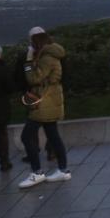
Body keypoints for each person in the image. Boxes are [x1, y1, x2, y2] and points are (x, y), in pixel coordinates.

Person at [18, 28, 71, 189]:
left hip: (44, 102)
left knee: (27, 136)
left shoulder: (47, 58)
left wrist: (27, 63)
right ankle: (63, 170)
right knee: (53, 135)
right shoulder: (53, 55)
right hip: (51, 99)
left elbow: (33, 78)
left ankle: (37, 172)